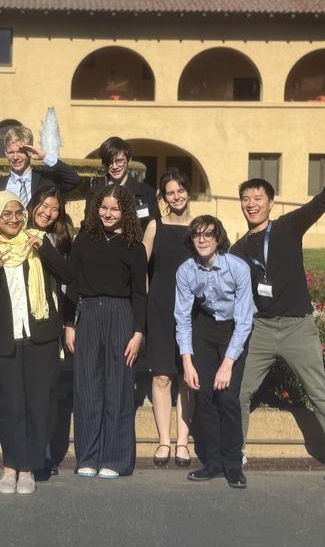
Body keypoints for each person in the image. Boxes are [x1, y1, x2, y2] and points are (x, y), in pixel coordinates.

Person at [232, 130, 325, 483]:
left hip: (298, 326)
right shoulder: (238, 250)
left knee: (319, 389)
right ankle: (234, 449)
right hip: (262, 330)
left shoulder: (288, 227)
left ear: (271, 202)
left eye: (258, 197)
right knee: (239, 390)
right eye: (246, 199)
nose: (252, 203)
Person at [0, 191, 75, 495]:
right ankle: (10, 467)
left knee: (38, 404)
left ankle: (28, 466)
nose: (14, 219)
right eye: (6, 214)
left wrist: (44, 250)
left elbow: (69, 274)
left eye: (18, 213)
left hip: (40, 338)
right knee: (10, 404)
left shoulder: (38, 244)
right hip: (4, 340)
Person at [64, 184, 147, 479]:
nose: (108, 214)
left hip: (121, 315)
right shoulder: (84, 239)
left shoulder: (134, 247)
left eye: (115, 209)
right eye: (104, 207)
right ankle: (87, 456)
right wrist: (69, 324)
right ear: (96, 207)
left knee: (118, 388)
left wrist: (138, 333)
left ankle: (115, 459)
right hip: (88, 315)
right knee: (87, 387)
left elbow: (140, 293)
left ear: (125, 211)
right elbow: (72, 284)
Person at [175, 216, 253, 489]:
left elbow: (245, 321)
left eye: (209, 234)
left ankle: (233, 463)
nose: (203, 239)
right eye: (197, 235)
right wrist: (187, 361)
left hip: (233, 329)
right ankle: (213, 462)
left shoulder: (238, 268)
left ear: (218, 238)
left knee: (228, 397)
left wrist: (228, 363)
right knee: (203, 394)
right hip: (204, 327)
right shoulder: (186, 270)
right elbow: (183, 317)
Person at [141, 168, 195, 468]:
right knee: (161, 375)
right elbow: (141, 266)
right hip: (160, 309)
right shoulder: (155, 226)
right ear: (164, 197)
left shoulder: (201, 227)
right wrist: (148, 298)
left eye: (180, 190)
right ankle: (164, 440)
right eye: (170, 192)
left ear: (188, 191)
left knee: (187, 378)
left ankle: (183, 442)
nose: (176, 196)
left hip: (192, 311)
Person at [27, 186, 72, 475]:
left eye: (54, 208)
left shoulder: (59, 240)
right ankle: (25, 452)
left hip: (47, 323)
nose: (47, 212)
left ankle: (42, 452)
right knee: (24, 394)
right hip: (21, 324)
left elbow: (67, 275)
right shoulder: (13, 232)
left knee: (46, 393)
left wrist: (43, 246)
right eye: (44, 205)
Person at [0, 125, 81, 206]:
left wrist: (44, 157)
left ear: (30, 150)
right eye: (11, 152)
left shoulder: (47, 181)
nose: (15, 157)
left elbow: (74, 179)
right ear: (5, 153)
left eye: (21, 152)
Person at [85, 136, 158, 231]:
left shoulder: (146, 192)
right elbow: (88, 225)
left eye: (119, 161)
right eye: (109, 162)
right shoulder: (94, 192)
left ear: (129, 160)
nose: (114, 166)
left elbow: (155, 226)